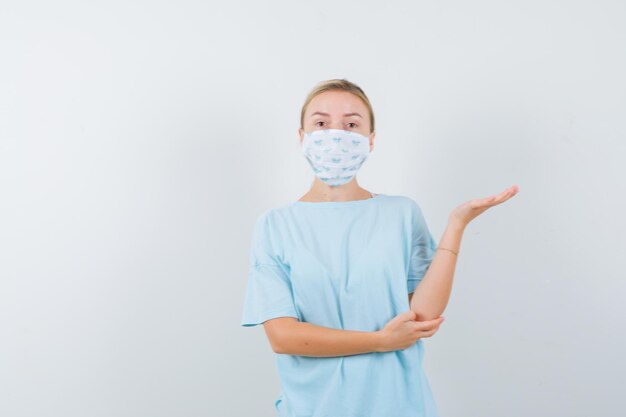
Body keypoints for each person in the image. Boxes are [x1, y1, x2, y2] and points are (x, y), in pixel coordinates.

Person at [240, 78, 519, 417]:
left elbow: (423, 316)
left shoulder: (401, 213)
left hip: (400, 405)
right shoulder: (276, 225)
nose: (336, 134)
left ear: (369, 141)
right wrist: (379, 341)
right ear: (302, 137)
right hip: (314, 408)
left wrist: (456, 227)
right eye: (321, 123)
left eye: (352, 124)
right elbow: (283, 337)